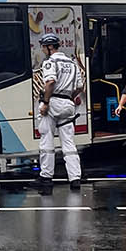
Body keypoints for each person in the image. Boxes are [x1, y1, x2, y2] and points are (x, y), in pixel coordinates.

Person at [35, 33, 86, 189]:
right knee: (69, 143)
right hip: (68, 104)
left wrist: (45, 102)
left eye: (44, 47)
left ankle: (46, 177)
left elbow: (50, 82)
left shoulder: (50, 62)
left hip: (53, 102)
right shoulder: (72, 63)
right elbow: (80, 87)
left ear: (50, 47)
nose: (43, 50)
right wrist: (69, 97)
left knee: (47, 140)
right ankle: (75, 178)